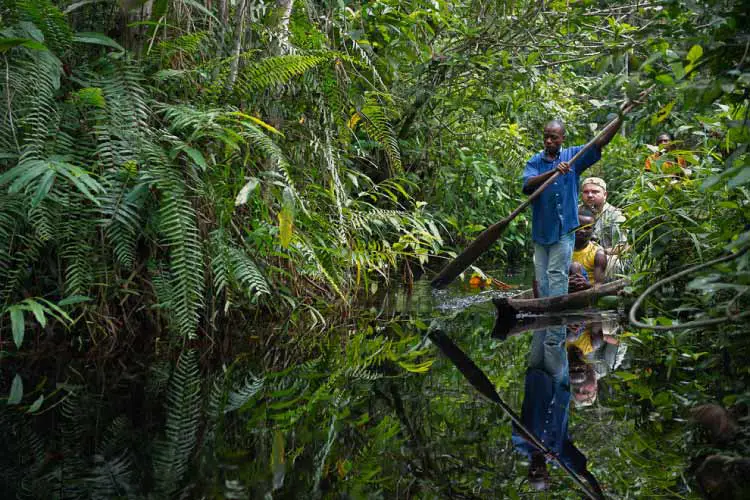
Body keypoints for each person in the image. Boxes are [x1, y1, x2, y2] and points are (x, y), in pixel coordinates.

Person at [523, 118, 621, 299]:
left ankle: (556, 311)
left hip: (565, 228)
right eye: (546, 137)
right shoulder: (535, 162)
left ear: (562, 138)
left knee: (557, 273)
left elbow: (600, 142)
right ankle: (544, 308)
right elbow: (528, 185)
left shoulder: (573, 156)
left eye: (553, 137)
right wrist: (553, 172)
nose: (548, 141)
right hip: (541, 229)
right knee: (541, 277)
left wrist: (620, 119)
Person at [511, 326, 604, 497]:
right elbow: (584, 472)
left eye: (531, 474)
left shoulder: (521, 445)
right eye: (538, 475)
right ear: (547, 474)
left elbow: (517, 428)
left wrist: (537, 446)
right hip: (557, 383)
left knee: (541, 328)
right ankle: (557, 302)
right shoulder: (559, 452)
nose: (534, 471)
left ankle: (546, 302)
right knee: (554, 338)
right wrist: (598, 494)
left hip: (536, 377)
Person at [580, 177, 627, 267]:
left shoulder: (615, 215)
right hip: (578, 255)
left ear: (605, 195)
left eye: (595, 192)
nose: (590, 195)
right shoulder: (575, 212)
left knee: (613, 263)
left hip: (604, 256)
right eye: (586, 192)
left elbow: (624, 246)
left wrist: (600, 252)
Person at [568, 206, 607, 292]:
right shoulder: (562, 248)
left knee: (575, 266)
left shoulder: (598, 254)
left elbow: (599, 285)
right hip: (564, 286)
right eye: (579, 226)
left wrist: (586, 284)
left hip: (586, 291)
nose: (582, 230)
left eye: (587, 228)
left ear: (593, 230)